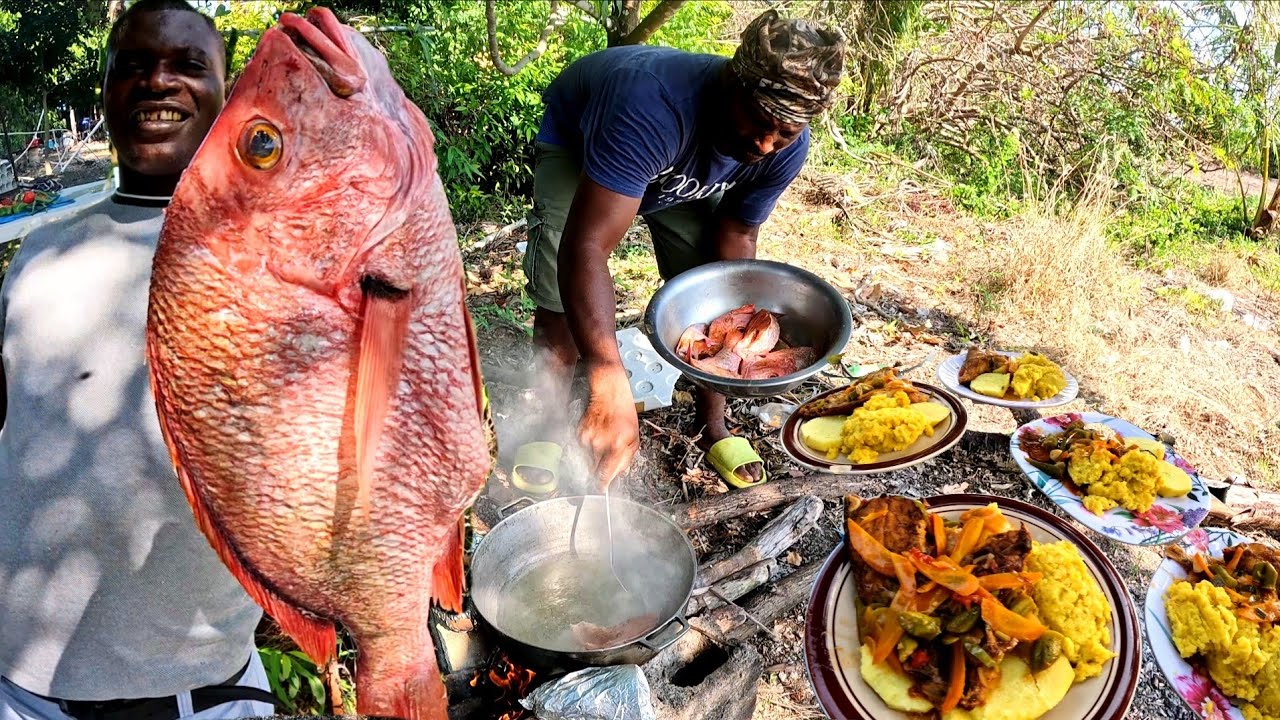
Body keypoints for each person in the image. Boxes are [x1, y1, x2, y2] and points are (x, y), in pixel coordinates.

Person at [0, 1, 279, 718]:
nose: (158, 83)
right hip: (25, 677)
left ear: (226, 93)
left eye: (189, 66)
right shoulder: (38, 251)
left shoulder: (281, 260)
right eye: (133, 66)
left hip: (198, 675)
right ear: (106, 93)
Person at [513, 9, 845, 492]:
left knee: (706, 297)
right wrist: (609, 379)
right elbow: (586, 247)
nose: (765, 142)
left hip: (675, 168)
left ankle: (714, 425)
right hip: (583, 146)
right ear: (732, 82)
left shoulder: (781, 147)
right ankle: (547, 423)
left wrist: (736, 327)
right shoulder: (651, 104)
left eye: (786, 132)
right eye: (758, 120)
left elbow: (736, 237)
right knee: (557, 297)